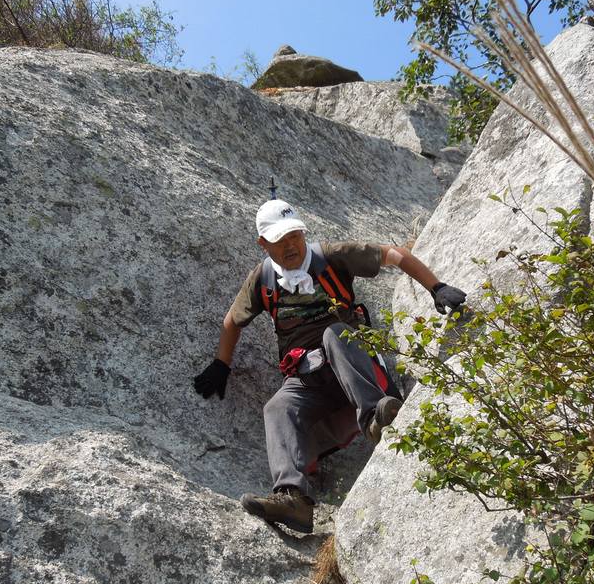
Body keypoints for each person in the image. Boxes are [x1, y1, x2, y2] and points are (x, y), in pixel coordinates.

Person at [193, 199, 466, 534]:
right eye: (280, 239)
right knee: (278, 407)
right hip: (311, 378)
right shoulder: (263, 279)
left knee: (335, 333)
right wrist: (222, 365)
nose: (290, 244)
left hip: (356, 367)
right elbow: (232, 321)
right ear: (263, 244)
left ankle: (375, 419)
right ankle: (293, 498)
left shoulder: (332, 256)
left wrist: (435, 287)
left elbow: (394, 255)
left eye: (295, 235)